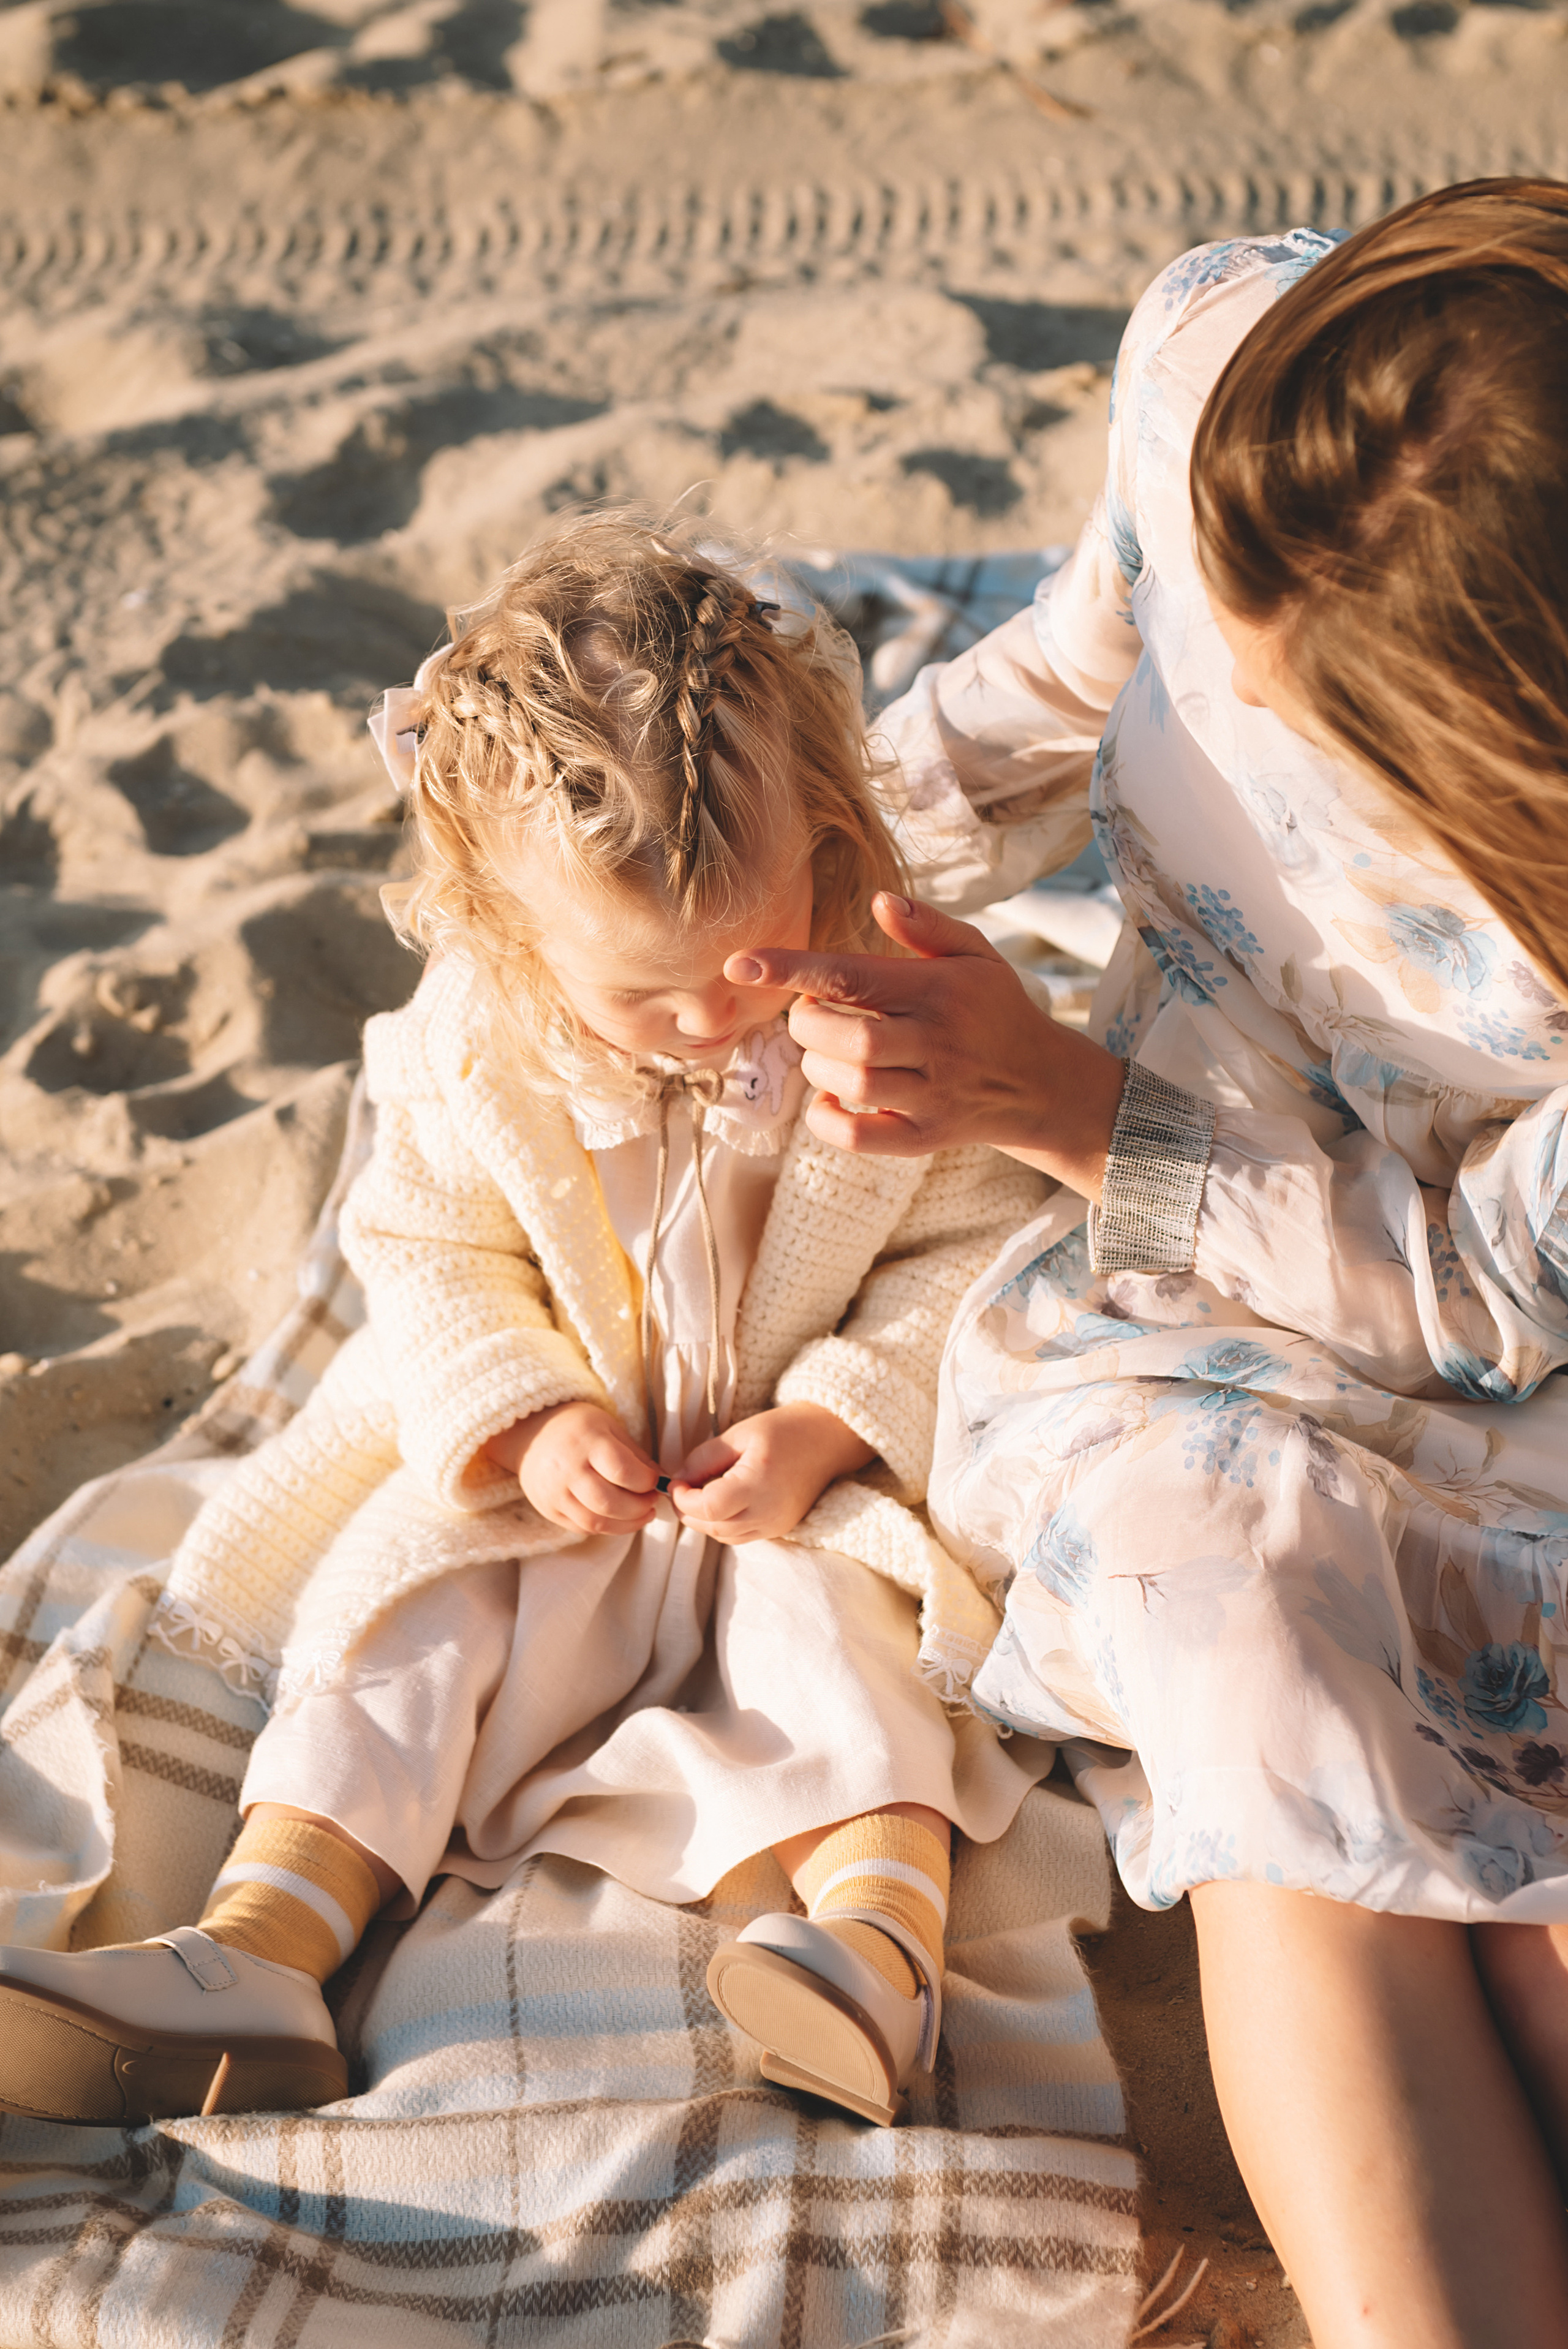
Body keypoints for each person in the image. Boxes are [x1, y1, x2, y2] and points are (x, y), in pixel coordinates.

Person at [723, 183, 1568, 2345]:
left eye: (1335, 731)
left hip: (1500, 1356)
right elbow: (1040, 688)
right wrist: (787, 877)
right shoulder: (1229, 380)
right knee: (1254, 1673)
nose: (1248, 716)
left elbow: (1479, 1300)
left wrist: (1063, 1111)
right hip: (1173, 1322)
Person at [0, 515, 1048, 2132]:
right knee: (394, 1618)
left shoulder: (890, 1016)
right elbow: (422, 1247)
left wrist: (836, 1415)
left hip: (789, 1489)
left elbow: (977, 1255)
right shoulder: (474, 1042)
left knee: (853, 1646)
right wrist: (528, 1415)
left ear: (827, 841)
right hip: (555, 1488)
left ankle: (871, 1952)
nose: (712, 1018)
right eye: (650, 994)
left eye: (751, 959)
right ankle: (263, 1947)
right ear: (503, 922)